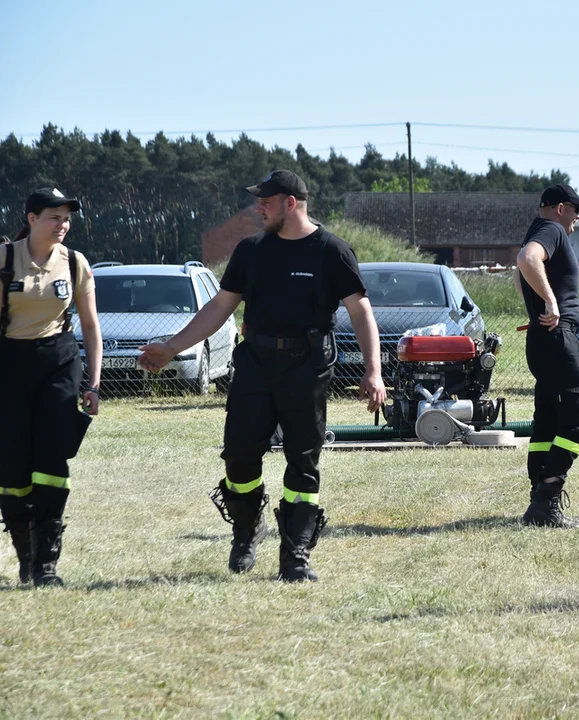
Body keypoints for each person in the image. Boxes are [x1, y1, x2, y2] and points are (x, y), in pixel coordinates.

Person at [139, 170, 386, 582]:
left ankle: (296, 554)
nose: (259, 208)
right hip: (255, 365)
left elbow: (361, 312)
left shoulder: (332, 251)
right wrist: (171, 348)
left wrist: (374, 372)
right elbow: (219, 308)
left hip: (306, 368)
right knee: (239, 453)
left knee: (303, 463)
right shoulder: (251, 250)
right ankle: (248, 529)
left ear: (290, 203)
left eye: (266, 201)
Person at [0, 188, 101, 587]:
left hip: (59, 362)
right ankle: (25, 552)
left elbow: (91, 326)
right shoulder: (6, 259)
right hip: (10, 364)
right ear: (30, 218)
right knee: (12, 468)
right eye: (53, 217)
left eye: (66, 218)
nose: (62, 225)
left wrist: (93, 384)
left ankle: (47, 564)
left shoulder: (75, 262)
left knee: (52, 460)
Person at [515, 183, 579, 528]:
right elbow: (526, 260)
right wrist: (548, 302)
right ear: (561, 207)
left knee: (548, 421)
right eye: (577, 210)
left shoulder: (537, 229)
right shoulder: (552, 230)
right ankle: (545, 501)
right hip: (558, 338)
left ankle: (539, 503)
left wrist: (535, 309)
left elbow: (518, 272)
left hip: (542, 337)